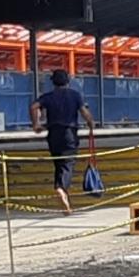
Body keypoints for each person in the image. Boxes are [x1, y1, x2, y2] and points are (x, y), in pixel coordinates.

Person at [30, 69, 94, 214]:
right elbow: (84, 112)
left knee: (58, 163)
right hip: (69, 134)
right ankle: (61, 188)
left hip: (53, 135)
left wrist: (36, 124)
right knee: (67, 164)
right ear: (68, 81)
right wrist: (91, 123)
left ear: (53, 82)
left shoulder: (48, 97)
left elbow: (34, 106)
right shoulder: (75, 95)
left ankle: (64, 194)